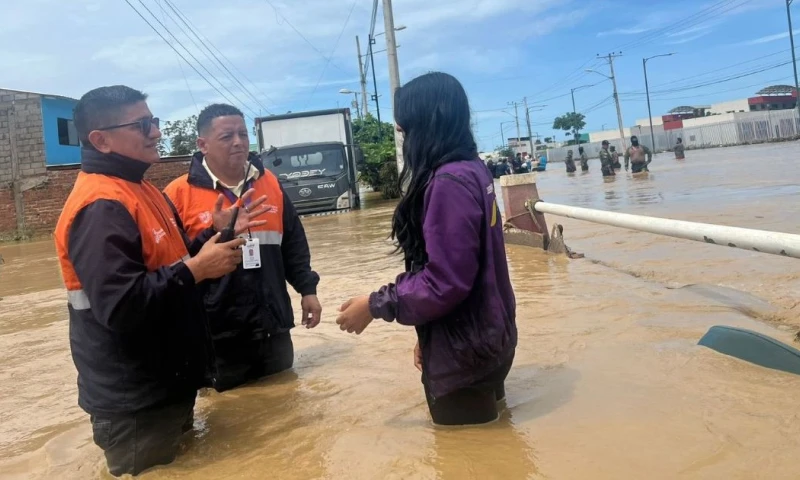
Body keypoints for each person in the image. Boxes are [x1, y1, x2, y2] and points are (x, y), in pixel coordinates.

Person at [53, 86, 269, 477]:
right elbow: (121, 307)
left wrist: (212, 236)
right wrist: (198, 270)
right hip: (135, 402)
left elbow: (172, 261)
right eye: (142, 125)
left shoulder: (142, 189)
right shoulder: (101, 206)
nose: (156, 132)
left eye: (153, 121)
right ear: (101, 140)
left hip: (167, 385)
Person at [335, 72, 517, 426]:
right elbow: (467, 270)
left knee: (463, 458)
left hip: (465, 355)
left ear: (424, 126)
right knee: (499, 443)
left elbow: (444, 282)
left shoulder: (447, 183)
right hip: (491, 339)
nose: (401, 138)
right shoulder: (474, 170)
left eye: (403, 130)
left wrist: (374, 305)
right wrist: (430, 337)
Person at [163, 104, 322, 393]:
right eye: (226, 136)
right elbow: (173, 270)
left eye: (242, 134)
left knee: (287, 403)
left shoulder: (270, 183)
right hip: (218, 336)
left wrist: (307, 290)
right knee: (231, 418)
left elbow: (294, 243)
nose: (238, 142)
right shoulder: (177, 195)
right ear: (203, 144)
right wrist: (216, 232)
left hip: (273, 328)